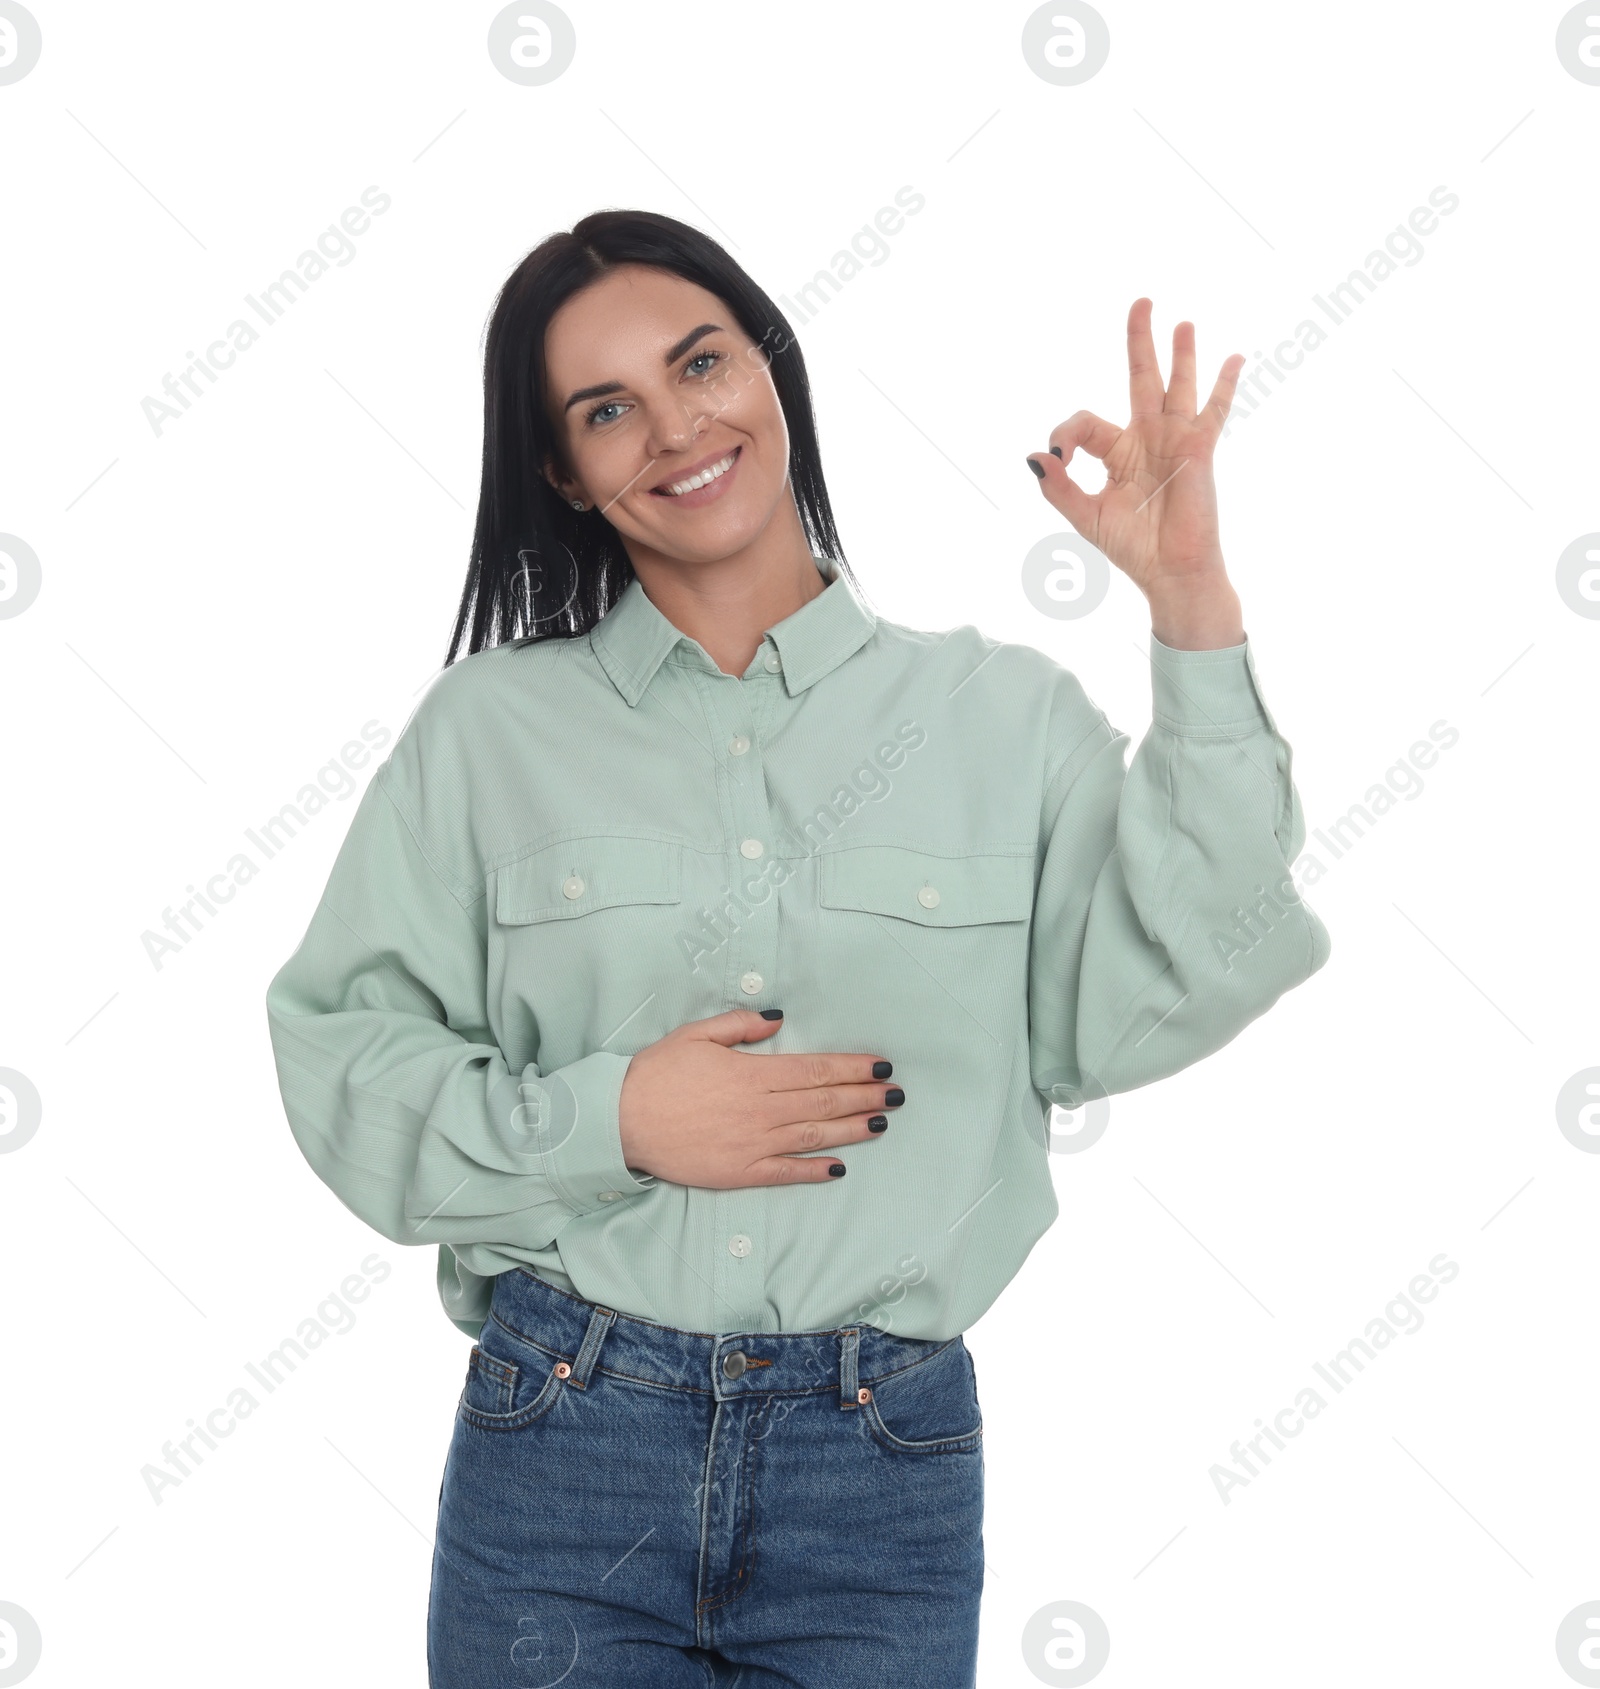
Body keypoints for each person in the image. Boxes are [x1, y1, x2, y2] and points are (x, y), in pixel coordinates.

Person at [264, 208, 1330, 1688]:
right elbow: (341, 1057)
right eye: (606, 409)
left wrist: (1191, 603)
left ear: (770, 364)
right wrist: (613, 1115)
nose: (674, 426)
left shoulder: (1001, 721)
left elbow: (1198, 961)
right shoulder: (485, 736)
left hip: (878, 1472)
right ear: (564, 473)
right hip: (564, 1455)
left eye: (701, 362)